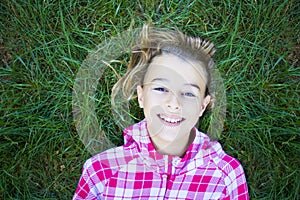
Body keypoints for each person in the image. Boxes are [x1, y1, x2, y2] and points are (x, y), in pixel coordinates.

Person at [73, 25, 249, 199]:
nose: (174, 103)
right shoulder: (101, 171)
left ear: (202, 106)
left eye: (188, 93)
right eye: (161, 89)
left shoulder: (226, 175)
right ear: (141, 96)